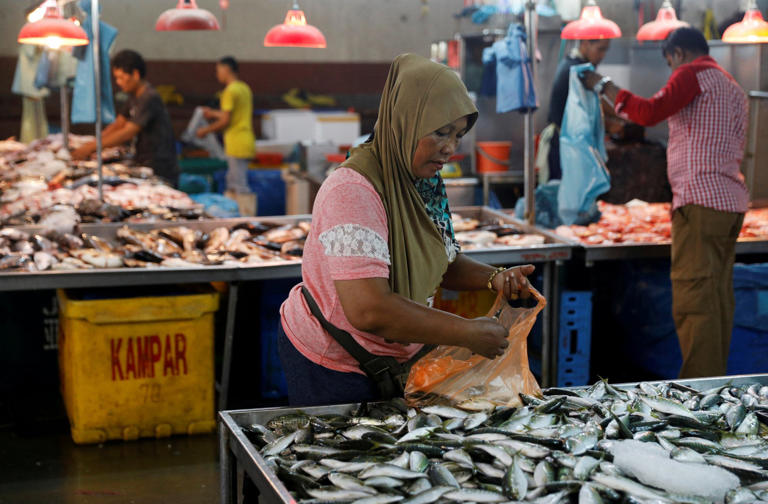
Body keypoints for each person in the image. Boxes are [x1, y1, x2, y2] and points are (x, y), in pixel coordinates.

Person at [278, 54, 536, 407]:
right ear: (405, 121)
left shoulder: (422, 183)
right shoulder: (353, 190)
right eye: (440, 132)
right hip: (334, 362)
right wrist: (465, 332)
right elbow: (368, 309)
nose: (450, 147)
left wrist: (495, 278)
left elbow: (441, 260)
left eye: (458, 135)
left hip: (397, 355)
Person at [582, 27, 749, 379]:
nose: (672, 70)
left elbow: (648, 112)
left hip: (701, 203)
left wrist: (604, 86)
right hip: (730, 203)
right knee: (717, 298)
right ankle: (716, 383)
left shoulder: (691, 74)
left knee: (694, 299)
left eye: (670, 63)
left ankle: (698, 392)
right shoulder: (731, 84)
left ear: (677, 54)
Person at [72, 50, 178, 186]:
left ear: (135, 74)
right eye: (116, 78)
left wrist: (92, 147)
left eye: (121, 77)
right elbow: (118, 124)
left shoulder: (149, 97)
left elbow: (128, 132)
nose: (118, 82)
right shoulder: (134, 96)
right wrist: (91, 144)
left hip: (159, 167)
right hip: (142, 161)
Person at [542, 39, 611, 181]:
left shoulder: (573, 64)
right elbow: (597, 103)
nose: (602, 55)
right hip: (564, 146)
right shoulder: (577, 69)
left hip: (567, 145)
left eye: (605, 50)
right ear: (585, 44)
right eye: (600, 49)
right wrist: (623, 116)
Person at [196, 56, 256, 197]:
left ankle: (243, 211)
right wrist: (212, 113)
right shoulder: (244, 88)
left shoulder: (229, 91)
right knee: (236, 183)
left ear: (226, 69)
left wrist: (205, 130)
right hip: (246, 140)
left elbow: (225, 121)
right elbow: (232, 114)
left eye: (218, 70)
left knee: (238, 187)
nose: (217, 74)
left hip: (236, 143)